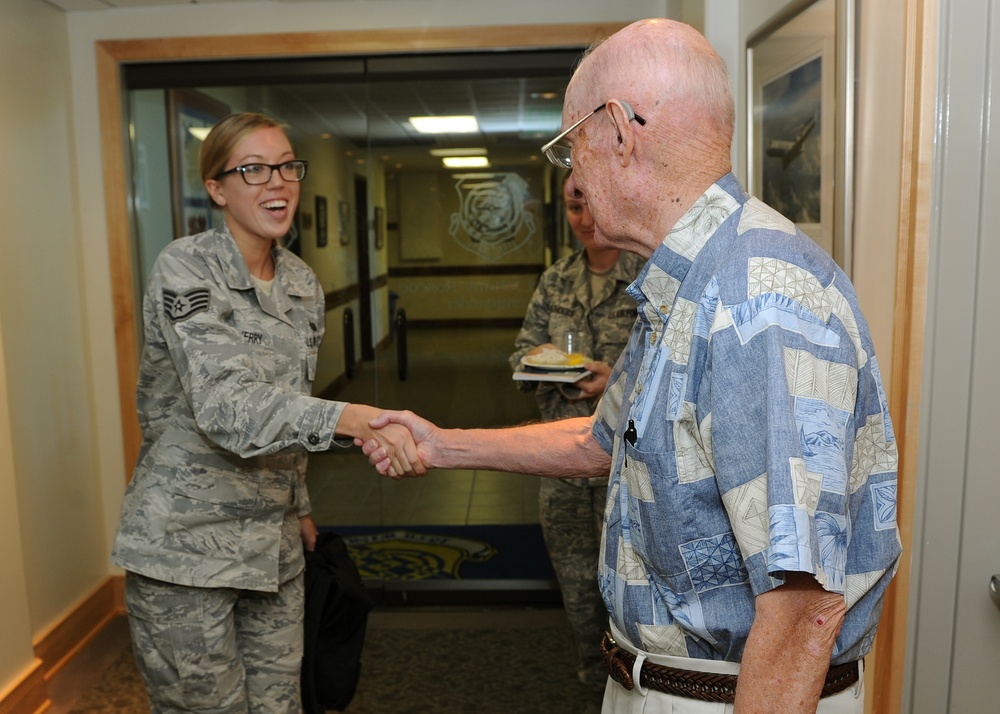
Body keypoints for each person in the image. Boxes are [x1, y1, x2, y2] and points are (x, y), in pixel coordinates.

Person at [360, 19, 901, 713]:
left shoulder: (756, 298)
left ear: (618, 131)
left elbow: (801, 608)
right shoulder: (684, 284)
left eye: (570, 147)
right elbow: (602, 441)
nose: (574, 174)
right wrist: (441, 444)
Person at [111, 112, 420, 713]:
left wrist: (300, 505)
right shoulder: (186, 269)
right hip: (187, 552)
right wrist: (352, 418)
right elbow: (227, 408)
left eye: (285, 166)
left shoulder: (302, 283)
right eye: (252, 169)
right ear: (217, 188)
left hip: (274, 547)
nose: (275, 182)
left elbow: (290, 404)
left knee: (283, 705)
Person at [510, 170, 643, 702]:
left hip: (626, 473)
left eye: (590, 203)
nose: (584, 219)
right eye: (572, 207)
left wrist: (615, 379)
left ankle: (631, 694)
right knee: (579, 594)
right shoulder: (555, 280)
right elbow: (519, 353)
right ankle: (593, 686)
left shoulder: (647, 275)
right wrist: (548, 370)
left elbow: (675, 370)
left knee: (630, 596)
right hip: (563, 466)